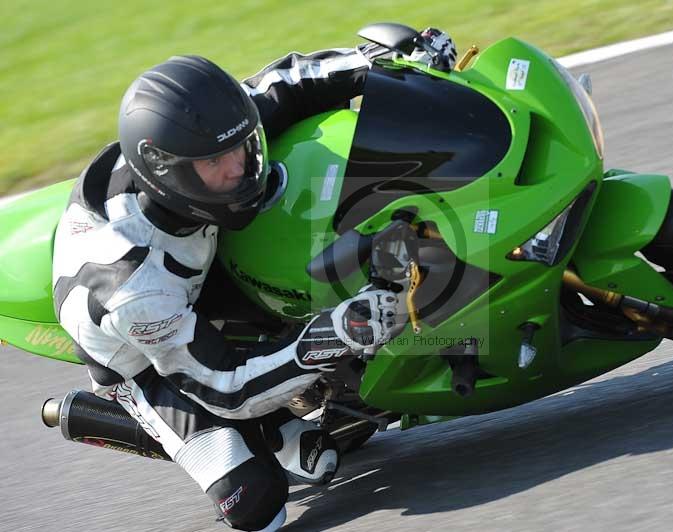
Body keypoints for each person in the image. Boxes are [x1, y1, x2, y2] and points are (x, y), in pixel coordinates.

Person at [51, 29, 457, 532]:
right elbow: (225, 386)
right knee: (258, 502)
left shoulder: (204, 140)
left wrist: (385, 63)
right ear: (167, 174)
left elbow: (283, 84)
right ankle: (113, 415)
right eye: (216, 164)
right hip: (146, 359)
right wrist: (341, 332)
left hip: (196, 268)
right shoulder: (136, 288)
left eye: (242, 149)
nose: (240, 169)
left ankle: (290, 408)